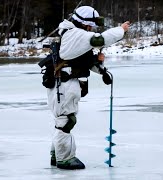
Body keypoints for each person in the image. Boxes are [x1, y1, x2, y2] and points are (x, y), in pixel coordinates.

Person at [47, 5, 130, 170]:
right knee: (66, 121)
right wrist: (121, 30)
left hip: (63, 84)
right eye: (91, 25)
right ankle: (64, 159)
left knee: (63, 121)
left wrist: (101, 68)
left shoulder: (72, 34)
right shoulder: (75, 34)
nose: (92, 28)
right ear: (85, 23)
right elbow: (99, 39)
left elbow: (82, 60)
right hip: (63, 85)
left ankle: (57, 155)